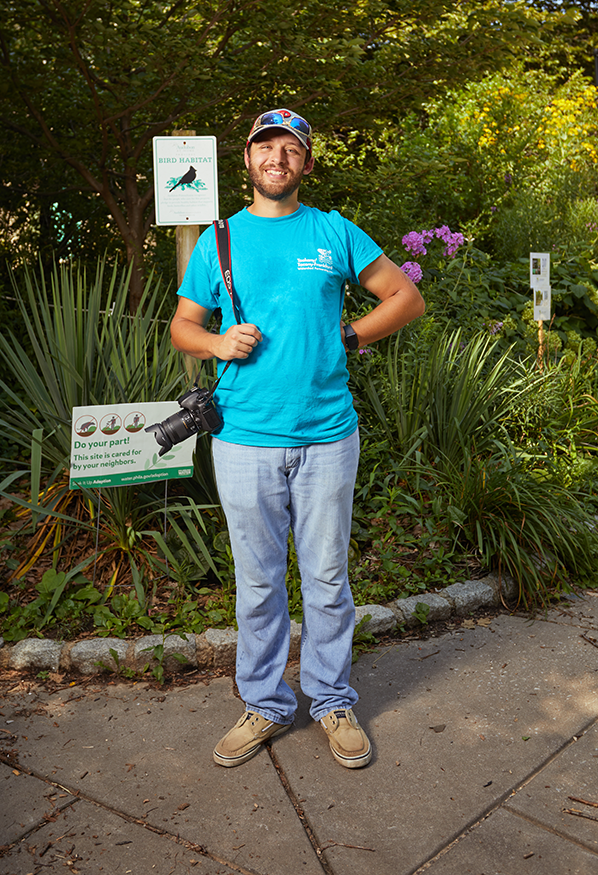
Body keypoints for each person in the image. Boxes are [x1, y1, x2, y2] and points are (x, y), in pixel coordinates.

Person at [170, 107, 425, 769]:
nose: (277, 158)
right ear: (247, 160)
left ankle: (332, 697)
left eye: (290, 148)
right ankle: (265, 702)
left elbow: (405, 296)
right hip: (245, 439)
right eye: (265, 147)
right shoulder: (218, 240)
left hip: (326, 437)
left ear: (306, 162)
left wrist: (350, 335)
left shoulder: (333, 231)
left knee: (327, 577)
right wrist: (218, 339)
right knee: (257, 584)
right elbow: (182, 327)